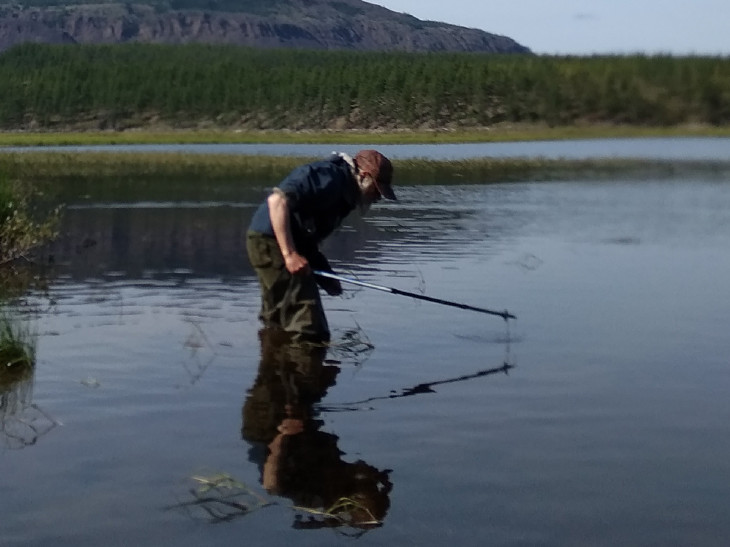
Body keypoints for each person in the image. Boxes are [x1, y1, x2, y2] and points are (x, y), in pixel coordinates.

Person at [246, 149, 396, 343]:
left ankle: (275, 366)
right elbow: (277, 201)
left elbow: (307, 240)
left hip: (275, 243)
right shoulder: (328, 177)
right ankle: (306, 369)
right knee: (309, 329)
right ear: (364, 176)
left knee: (279, 321)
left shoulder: (345, 191)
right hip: (270, 243)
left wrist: (326, 276)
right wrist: (290, 254)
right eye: (377, 190)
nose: (377, 197)